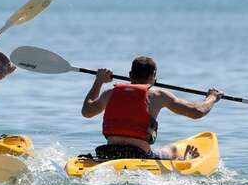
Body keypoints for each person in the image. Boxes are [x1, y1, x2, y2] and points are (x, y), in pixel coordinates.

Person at [81, 56, 223, 160]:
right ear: (153, 77)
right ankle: (186, 159)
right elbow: (197, 112)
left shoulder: (110, 93)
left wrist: (99, 81)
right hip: (140, 155)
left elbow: (87, 112)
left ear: (130, 75)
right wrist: (212, 97)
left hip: (108, 153)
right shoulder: (157, 95)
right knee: (173, 150)